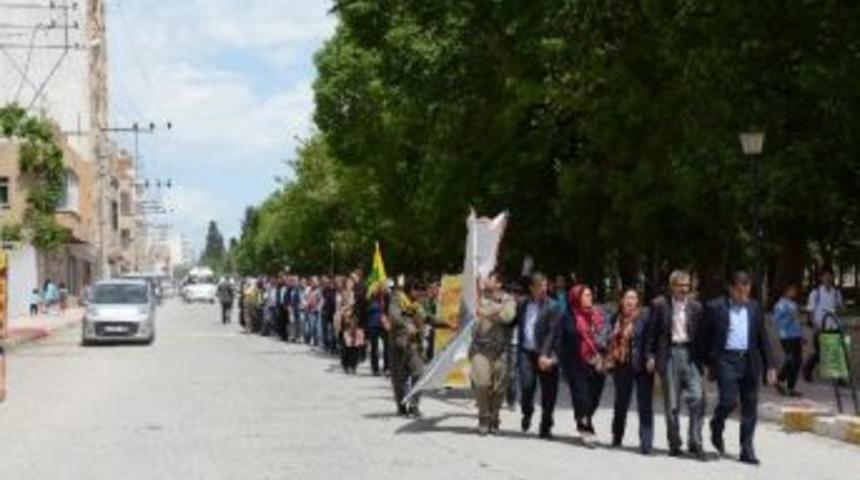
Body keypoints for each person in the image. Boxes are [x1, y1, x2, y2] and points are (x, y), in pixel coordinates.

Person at [706, 271, 776, 465]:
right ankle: (716, 424)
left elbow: (763, 338)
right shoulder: (716, 307)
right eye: (739, 291)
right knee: (728, 401)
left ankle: (747, 450)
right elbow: (704, 338)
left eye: (747, 290)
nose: (744, 295)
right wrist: (707, 362)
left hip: (750, 362)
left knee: (750, 407)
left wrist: (770, 365)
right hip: (726, 361)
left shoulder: (755, 308)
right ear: (731, 289)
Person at [646, 270, 707, 459]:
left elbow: (702, 336)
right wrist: (650, 356)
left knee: (698, 398)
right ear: (672, 286)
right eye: (681, 285)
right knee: (672, 404)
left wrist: (706, 361)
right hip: (669, 354)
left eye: (687, 285)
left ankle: (695, 442)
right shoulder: (659, 305)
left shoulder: (696, 307)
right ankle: (674, 443)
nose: (684, 289)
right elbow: (651, 333)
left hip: (690, 355)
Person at [553, 284, 605, 445]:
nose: (589, 297)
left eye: (590, 295)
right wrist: (559, 360)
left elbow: (606, 334)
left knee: (595, 397)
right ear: (577, 297)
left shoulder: (598, 314)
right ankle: (586, 426)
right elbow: (560, 340)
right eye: (585, 295)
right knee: (582, 397)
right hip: (575, 363)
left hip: (596, 362)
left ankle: (584, 418)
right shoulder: (568, 316)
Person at [605, 289, 654, 454]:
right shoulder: (615, 318)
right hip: (622, 365)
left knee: (644, 405)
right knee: (621, 404)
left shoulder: (645, 316)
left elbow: (650, 339)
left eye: (633, 298)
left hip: (641, 366)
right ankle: (617, 436)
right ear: (621, 300)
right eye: (627, 297)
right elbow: (609, 340)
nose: (630, 301)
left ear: (638, 301)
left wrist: (650, 357)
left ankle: (646, 443)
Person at [470, 272, 517, 435]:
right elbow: (470, 317)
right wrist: (487, 310)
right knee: (481, 383)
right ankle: (483, 416)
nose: (485, 281)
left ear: (498, 284)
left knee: (498, 388)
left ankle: (494, 416)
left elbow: (507, 316)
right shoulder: (476, 298)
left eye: (489, 278)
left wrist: (486, 312)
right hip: (480, 349)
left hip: (499, 350)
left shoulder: (508, 300)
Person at [516, 272, 561, 439]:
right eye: (539, 286)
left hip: (546, 354)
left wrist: (545, 355)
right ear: (531, 288)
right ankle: (527, 412)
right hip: (526, 352)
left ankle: (546, 426)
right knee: (526, 387)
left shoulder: (553, 306)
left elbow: (552, 332)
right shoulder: (522, 304)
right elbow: (511, 322)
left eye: (545, 285)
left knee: (549, 393)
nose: (544, 289)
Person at [387, 279, 427, 417]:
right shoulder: (397, 299)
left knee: (419, 373)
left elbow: (428, 318)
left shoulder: (418, 305)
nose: (421, 295)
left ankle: (414, 406)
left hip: (415, 346)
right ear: (411, 290)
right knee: (399, 378)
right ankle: (401, 405)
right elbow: (394, 315)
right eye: (419, 292)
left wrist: (448, 325)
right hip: (399, 344)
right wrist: (406, 324)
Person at [802, 267, 844, 382]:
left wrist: (840, 309)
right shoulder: (816, 293)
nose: (827, 278)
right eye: (825, 275)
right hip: (820, 326)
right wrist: (816, 326)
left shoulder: (836, 293)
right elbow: (810, 311)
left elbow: (840, 308)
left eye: (829, 275)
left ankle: (838, 379)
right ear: (821, 278)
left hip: (834, 325)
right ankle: (807, 369)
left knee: (835, 352)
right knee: (820, 353)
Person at [773, 283, 803, 397]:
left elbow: (797, 320)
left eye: (794, 290)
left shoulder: (793, 304)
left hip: (796, 335)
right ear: (785, 291)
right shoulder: (780, 305)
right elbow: (777, 321)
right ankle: (780, 379)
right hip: (786, 336)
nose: (794, 292)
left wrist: (801, 335)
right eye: (791, 290)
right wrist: (790, 317)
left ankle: (790, 387)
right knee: (791, 360)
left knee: (798, 361)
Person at [365, 285, 389, 376]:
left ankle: (387, 367)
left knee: (387, 346)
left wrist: (385, 316)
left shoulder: (387, 299)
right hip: (373, 325)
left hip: (384, 325)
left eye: (382, 288)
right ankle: (375, 369)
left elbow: (390, 310)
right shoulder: (369, 299)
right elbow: (366, 311)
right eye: (378, 289)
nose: (380, 290)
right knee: (374, 347)